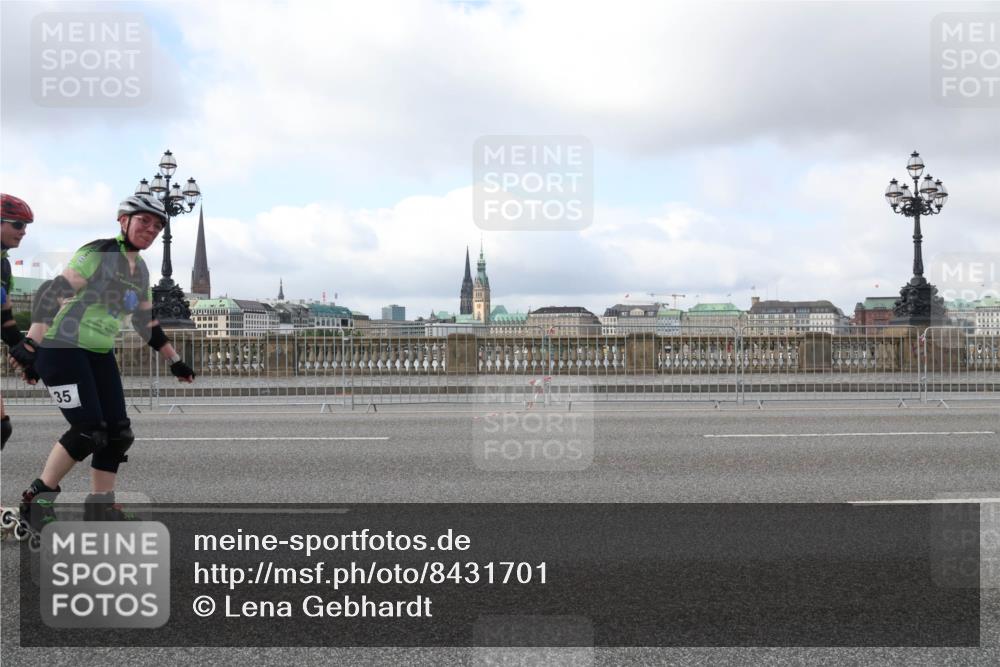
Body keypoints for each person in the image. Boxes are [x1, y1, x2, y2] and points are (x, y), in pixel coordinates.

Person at [10, 194, 196, 533]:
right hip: (61, 348)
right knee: (87, 431)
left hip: (97, 353)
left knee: (117, 434)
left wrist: (176, 361)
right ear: (123, 220)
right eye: (144, 221)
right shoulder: (99, 254)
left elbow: (146, 322)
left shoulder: (139, 269)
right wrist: (31, 342)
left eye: (157, 226)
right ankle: (36, 501)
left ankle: (101, 507)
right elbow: (54, 294)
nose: (151, 229)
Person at [1, 193, 39, 451]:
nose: (23, 231)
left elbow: (6, 322)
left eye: (26, 226)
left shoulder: (4, 266)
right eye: (17, 224)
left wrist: (27, 361)